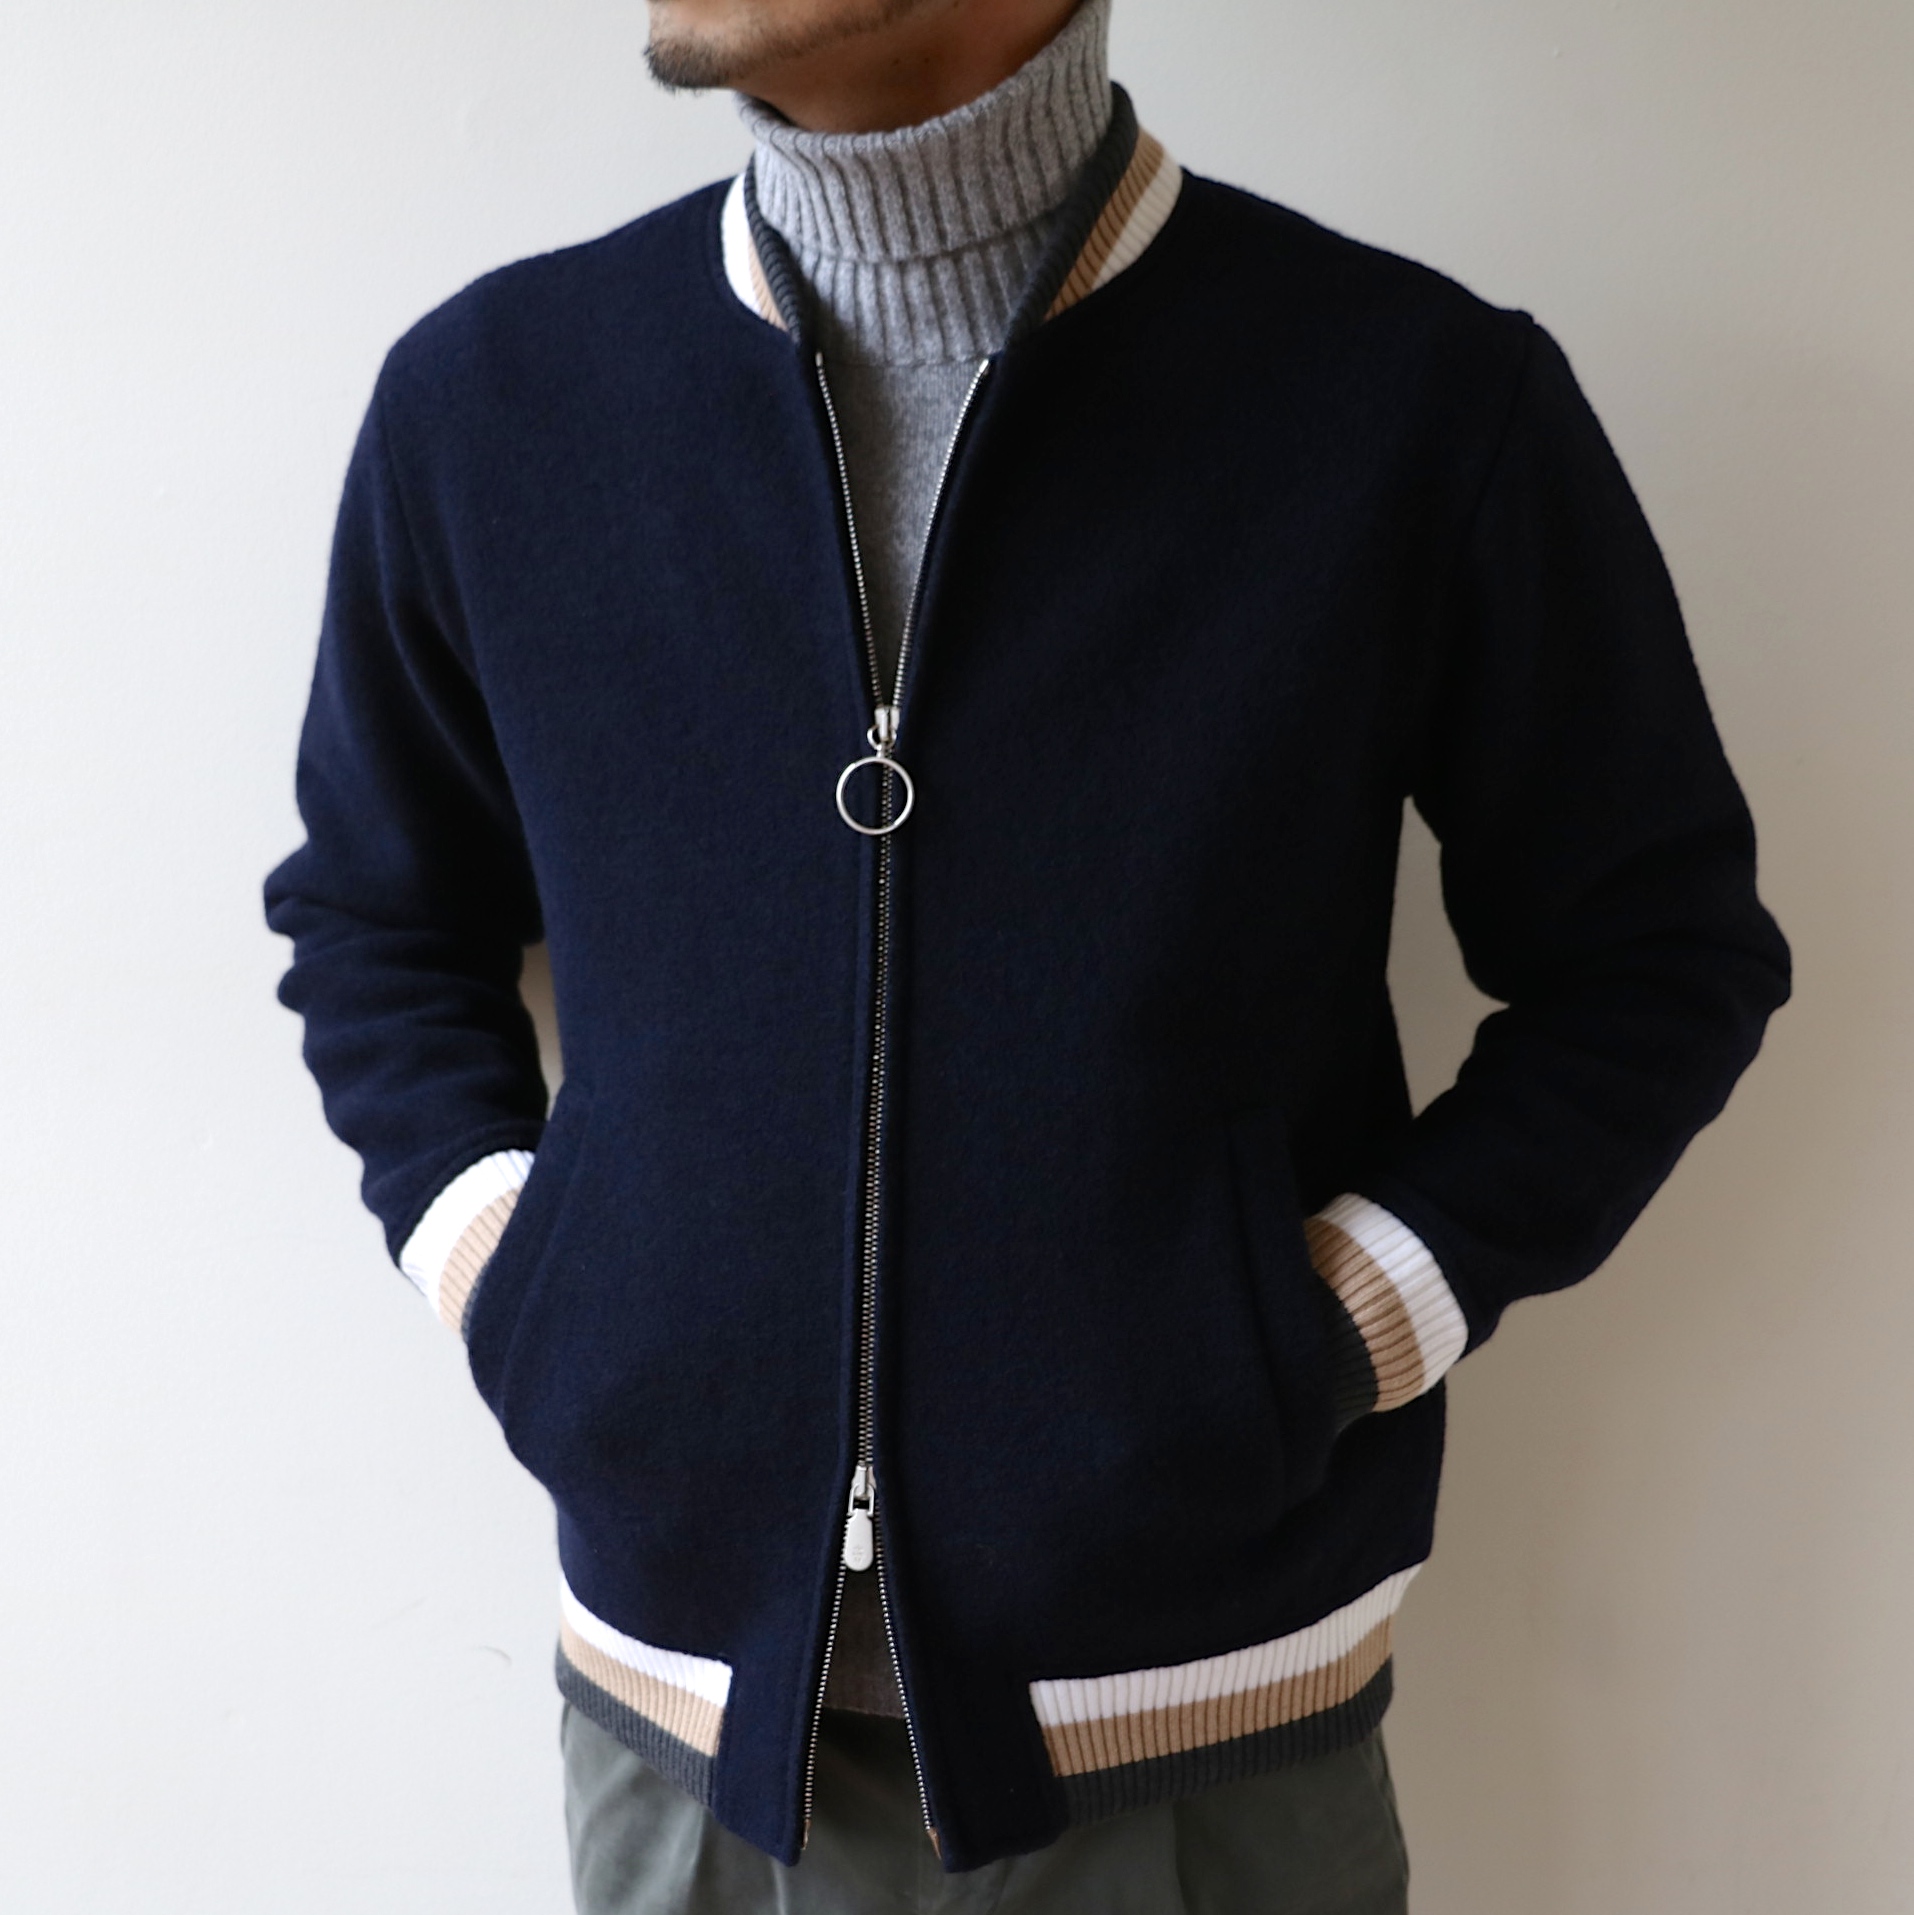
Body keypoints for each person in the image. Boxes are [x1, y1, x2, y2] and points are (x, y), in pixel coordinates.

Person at [263, 0, 1791, 1906]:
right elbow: (374, 917)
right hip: (679, 1738)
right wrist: (527, 1285)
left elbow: (1653, 955)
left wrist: (1325, 1330)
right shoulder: (495, 402)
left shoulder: (1405, 397)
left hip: (1201, 1739)